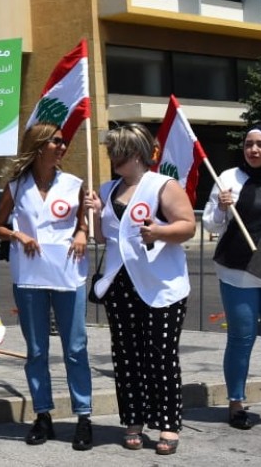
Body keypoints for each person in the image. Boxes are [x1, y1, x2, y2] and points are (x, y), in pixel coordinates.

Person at [84, 123, 195, 456]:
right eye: (111, 151)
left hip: (161, 286)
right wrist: (94, 214)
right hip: (121, 284)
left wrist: (159, 232)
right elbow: (105, 239)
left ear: (136, 153)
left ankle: (168, 422)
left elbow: (188, 225)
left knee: (160, 357)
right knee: (127, 355)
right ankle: (133, 419)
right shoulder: (107, 189)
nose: (113, 157)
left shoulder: (163, 185)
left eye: (119, 151)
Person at [0, 123, 93, 450]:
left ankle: (83, 415)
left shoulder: (75, 184)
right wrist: (17, 234)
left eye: (63, 142)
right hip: (30, 277)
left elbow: (84, 222)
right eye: (57, 142)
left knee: (75, 347)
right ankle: (43, 414)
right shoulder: (16, 187)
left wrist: (82, 233)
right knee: (36, 350)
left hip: (68, 275)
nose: (63, 147)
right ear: (39, 147)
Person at [202, 124, 261, 434]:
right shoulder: (229, 178)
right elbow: (210, 224)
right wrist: (220, 206)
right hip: (237, 271)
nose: (253, 150)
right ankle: (236, 403)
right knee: (240, 339)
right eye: (248, 145)